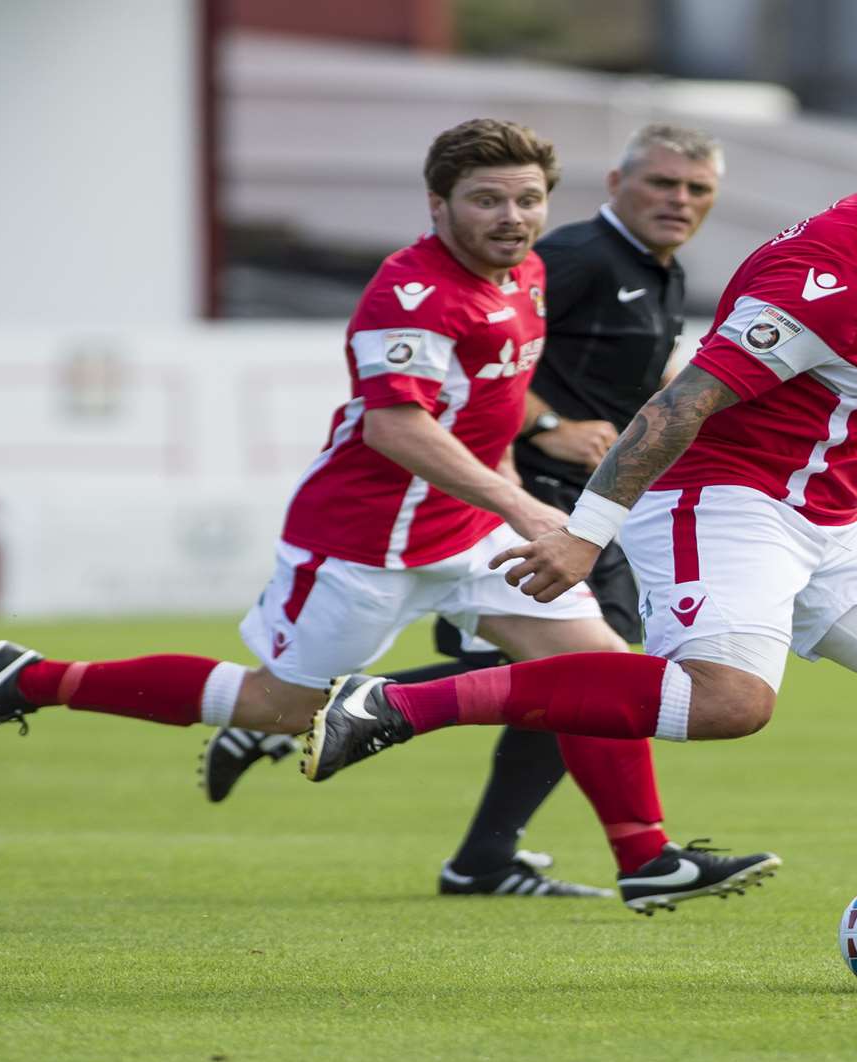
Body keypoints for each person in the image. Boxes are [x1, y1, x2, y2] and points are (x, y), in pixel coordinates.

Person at [301, 94, 857, 986]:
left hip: (832, 514)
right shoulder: (820, 272)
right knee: (729, 704)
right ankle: (398, 705)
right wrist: (586, 535)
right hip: (726, 503)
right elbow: (679, 406)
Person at [0, 118, 777, 911]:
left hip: (470, 530)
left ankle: (646, 859)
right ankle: (31, 679)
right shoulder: (411, 292)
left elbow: (492, 399)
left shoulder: (525, 274)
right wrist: (527, 504)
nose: (512, 218)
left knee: (597, 668)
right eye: (488, 199)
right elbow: (396, 425)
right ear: (438, 205)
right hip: (362, 540)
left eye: (527, 200)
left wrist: (527, 459)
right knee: (279, 707)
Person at [198, 123, 769, 910]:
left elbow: (509, 380)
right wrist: (543, 442)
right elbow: (407, 418)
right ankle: (64, 686)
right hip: (460, 514)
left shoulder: (608, 269)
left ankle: (614, 857)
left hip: (507, 514)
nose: (679, 201)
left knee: (589, 671)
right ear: (615, 183)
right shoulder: (568, 260)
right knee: (568, 683)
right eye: (662, 184)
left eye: (696, 189)